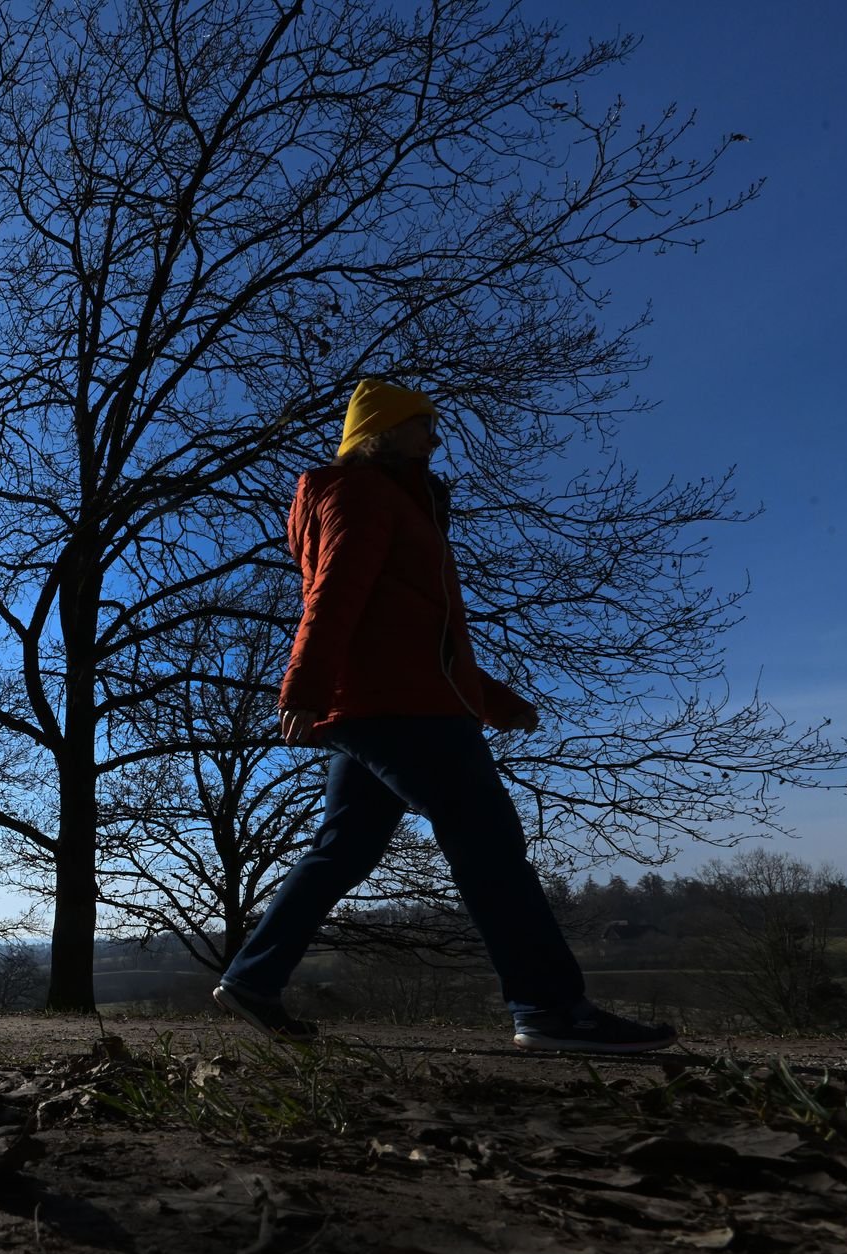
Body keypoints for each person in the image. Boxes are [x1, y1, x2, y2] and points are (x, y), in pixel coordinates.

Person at [211, 379, 677, 1054]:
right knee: (489, 844)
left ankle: (254, 977)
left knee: (343, 849)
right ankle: (550, 1008)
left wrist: (492, 700)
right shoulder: (365, 494)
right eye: (423, 424)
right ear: (384, 431)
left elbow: (413, 631)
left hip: (391, 701)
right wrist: (302, 687)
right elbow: (335, 595)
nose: (436, 437)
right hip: (400, 709)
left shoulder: (391, 500)